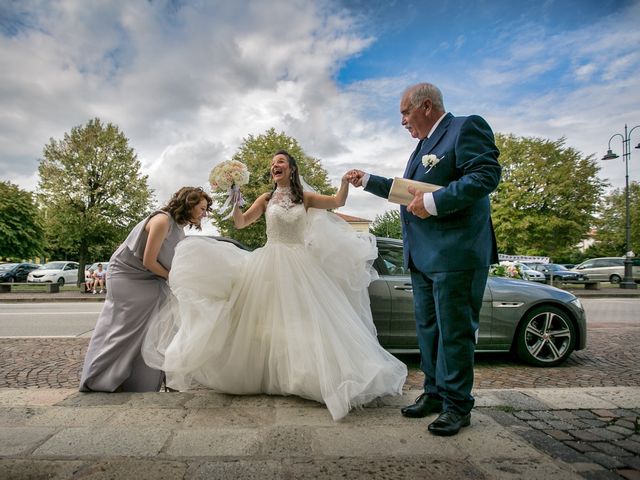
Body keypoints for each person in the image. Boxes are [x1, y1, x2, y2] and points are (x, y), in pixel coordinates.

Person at [142, 151, 407, 420]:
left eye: (280, 162)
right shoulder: (266, 199)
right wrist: (234, 198)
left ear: (291, 168)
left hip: (301, 265)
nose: (274, 166)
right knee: (266, 324)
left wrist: (344, 182)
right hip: (269, 262)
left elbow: (337, 201)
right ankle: (273, 375)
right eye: (272, 164)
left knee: (305, 321)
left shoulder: (305, 198)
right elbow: (241, 222)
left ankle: (305, 376)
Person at [349, 83, 501, 436]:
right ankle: (434, 394)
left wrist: (434, 203)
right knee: (429, 332)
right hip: (423, 257)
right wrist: (367, 180)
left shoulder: (465, 127)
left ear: (427, 106)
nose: (403, 121)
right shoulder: (422, 148)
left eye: (405, 112)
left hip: (456, 253)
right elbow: (407, 190)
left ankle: (458, 405)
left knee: (455, 333)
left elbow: (485, 176)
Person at [79, 187, 212, 393]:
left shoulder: (178, 227)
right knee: (125, 329)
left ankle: (139, 384)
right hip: (128, 276)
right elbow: (149, 261)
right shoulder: (162, 221)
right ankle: (99, 379)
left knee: (154, 328)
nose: (204, 213)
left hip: (151, 278)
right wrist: (174, 279)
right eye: (202, 208)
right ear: (189, 204)